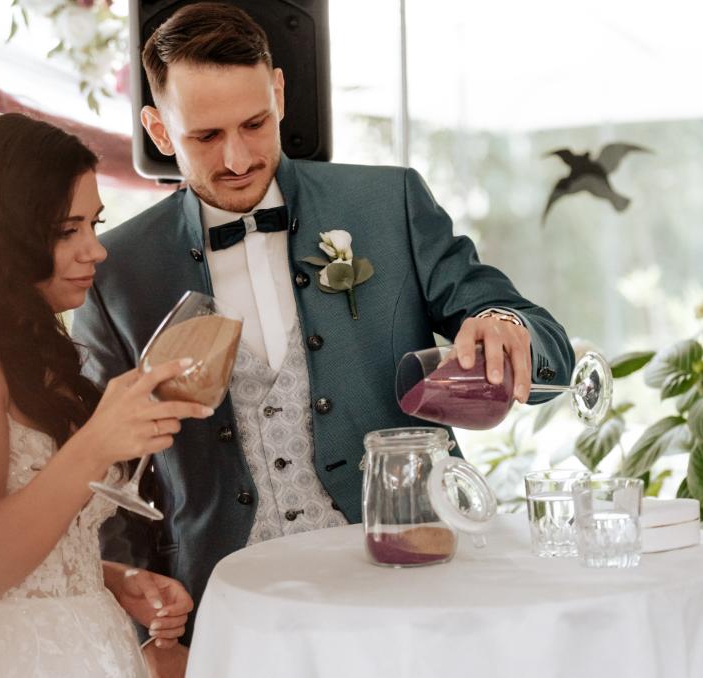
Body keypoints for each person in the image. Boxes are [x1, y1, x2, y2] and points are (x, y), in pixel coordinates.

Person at [71, 3, 574, 674]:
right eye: (205, 136)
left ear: (280, 93)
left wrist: (508, 330)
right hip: (232, 612)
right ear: (159, 130)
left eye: (255, 123)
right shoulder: (116, 272)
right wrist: (148, 629)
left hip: (415, 585)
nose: (238, 156)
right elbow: (106, 481)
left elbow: (551, 355)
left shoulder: (387, 204)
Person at [0, 107, 214, 677]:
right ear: (2, 234)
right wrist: (96, 443)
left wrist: (113, 578)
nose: (95, 250)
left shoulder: (31, 352)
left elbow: (31, 543)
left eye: (93, 225)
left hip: (88, 649)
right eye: (66, 231)